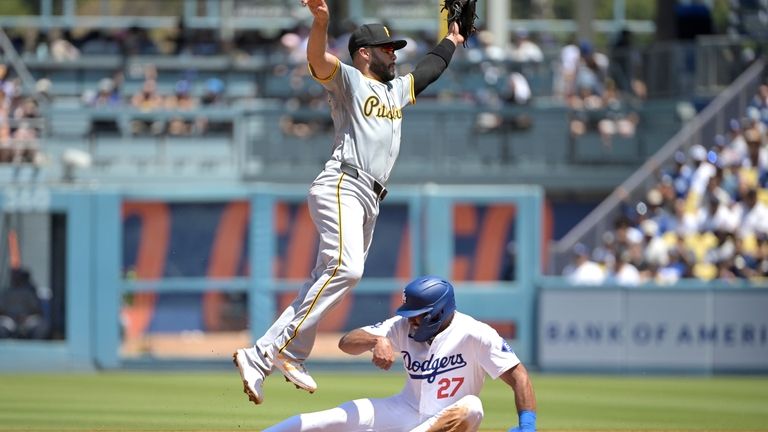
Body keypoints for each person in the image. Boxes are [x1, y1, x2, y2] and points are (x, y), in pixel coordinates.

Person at [233, 0, 466, 405]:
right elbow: (317, 59)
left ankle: (292, 352)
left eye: (394, 48)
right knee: (347, 267)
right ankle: (261, 354)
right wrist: (320, 22)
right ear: (364, 53)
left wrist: (451, 39)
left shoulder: (395, 91)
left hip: (370, 197)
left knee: (329, 273)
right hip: (344, 182)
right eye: (387, 48)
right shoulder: (348, 80)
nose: (394, 53)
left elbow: (428, 70)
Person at [262, 276, 537, 432]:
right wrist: (377, 339)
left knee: (472, 407)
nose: (411, 321)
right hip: (406, 409)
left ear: (438, 312)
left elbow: (519, 375)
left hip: (447, 421)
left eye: (417, 316)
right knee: (336, 416)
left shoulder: (476, 334)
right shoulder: (401, 326)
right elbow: (347, 342)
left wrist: (527, 424)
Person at [0, 267, 49, 339]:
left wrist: (24, 317)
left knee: (42, 326)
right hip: (10, 320)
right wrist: (11, 316)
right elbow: (1, 310)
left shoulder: (29, 292)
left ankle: (34, 348)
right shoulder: (6, 292)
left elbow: (37, 311)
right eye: (15, 277)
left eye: (19, 277)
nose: (17, 279)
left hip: (26, 320)